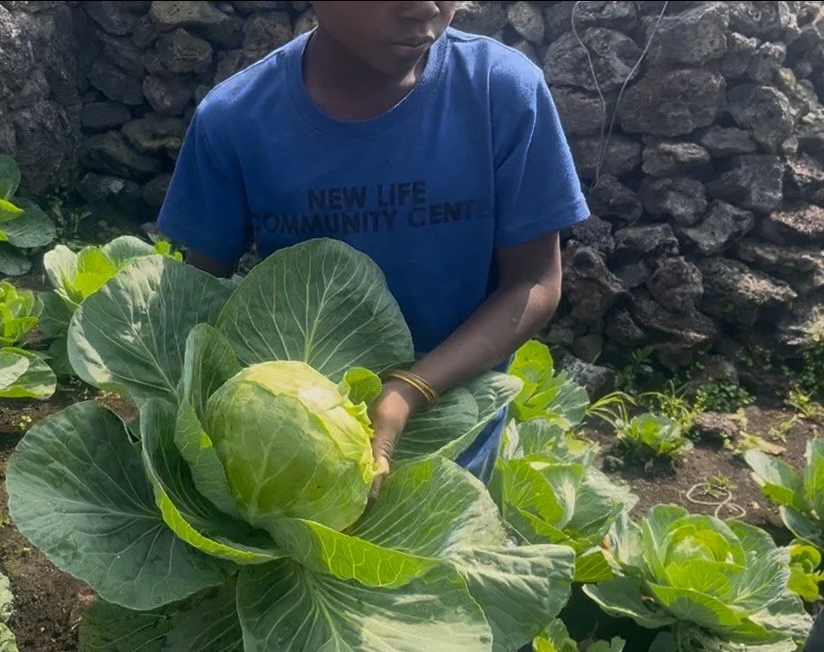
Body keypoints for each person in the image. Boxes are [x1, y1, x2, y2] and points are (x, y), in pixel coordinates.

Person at [155, 1, 589, 492]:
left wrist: (409, 391)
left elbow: (534, 281)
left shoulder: (502, 92)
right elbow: (197, 304)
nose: (425, 7)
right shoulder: (235, 120)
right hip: (290, 456)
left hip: (453, 438)